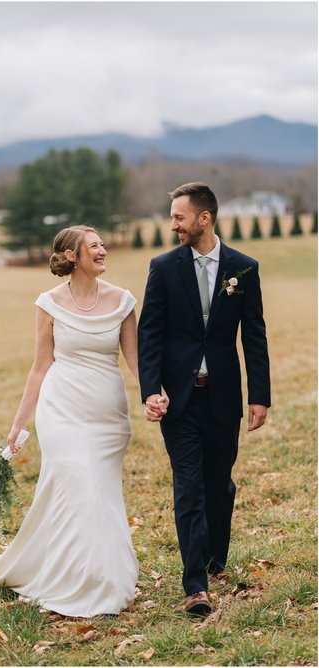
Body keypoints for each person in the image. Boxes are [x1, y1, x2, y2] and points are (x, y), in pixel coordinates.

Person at [0, 225, 139, 617]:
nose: (103, 250)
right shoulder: (48, 303)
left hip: (108, 417)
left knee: (100, 494)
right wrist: (19, 424)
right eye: (94, 246)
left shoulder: (123, 301)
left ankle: (104, 577)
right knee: (78, 486)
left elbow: (137, 361)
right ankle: (77, 581)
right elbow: (39, 367)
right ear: (72, 255)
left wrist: (156, 393)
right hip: (62, 410)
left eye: (103, 245)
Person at [138, 182, 270, 617]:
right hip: (178, 400)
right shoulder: (163, 267)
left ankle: (215, 560)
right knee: (188, 487)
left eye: (179, 217)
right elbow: (150, 335)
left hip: (223, 399)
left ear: (204, 218)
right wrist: (150, 390)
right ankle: (195, 585)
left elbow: (254, 335)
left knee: (218, 484)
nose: (172, 224)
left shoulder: (243, 268)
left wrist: (259, 397)